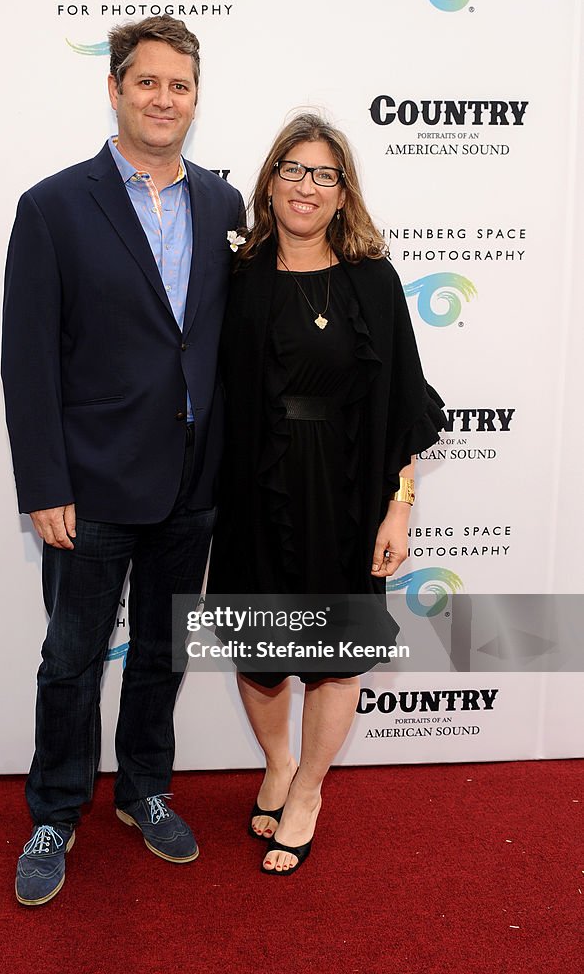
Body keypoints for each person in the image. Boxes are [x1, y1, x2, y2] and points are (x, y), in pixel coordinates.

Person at [1, 15, 244, 906]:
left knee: (163, 654)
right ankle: (56, 811)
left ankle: (144, 790)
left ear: (195, 96)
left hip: (192, 480)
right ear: (115, 88)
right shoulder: (54, 205)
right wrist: (44, 482)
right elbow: (25, 359)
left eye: (180, 85)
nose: (164, 99)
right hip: (90, 481)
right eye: (148, 82)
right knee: (70, 658)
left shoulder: (223, 205)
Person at [208, 113, 445, 875]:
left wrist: (400, 503)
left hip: (345, 486)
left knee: (336, 658)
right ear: (269, 181)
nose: (306, 187)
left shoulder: (371, 279)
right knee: (258, 653)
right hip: (252, 488)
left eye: (324, 174)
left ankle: (308, 789)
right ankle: (278, 762)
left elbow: (405, 397)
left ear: (344, 194)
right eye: (293, 170)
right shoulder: (237, 276)